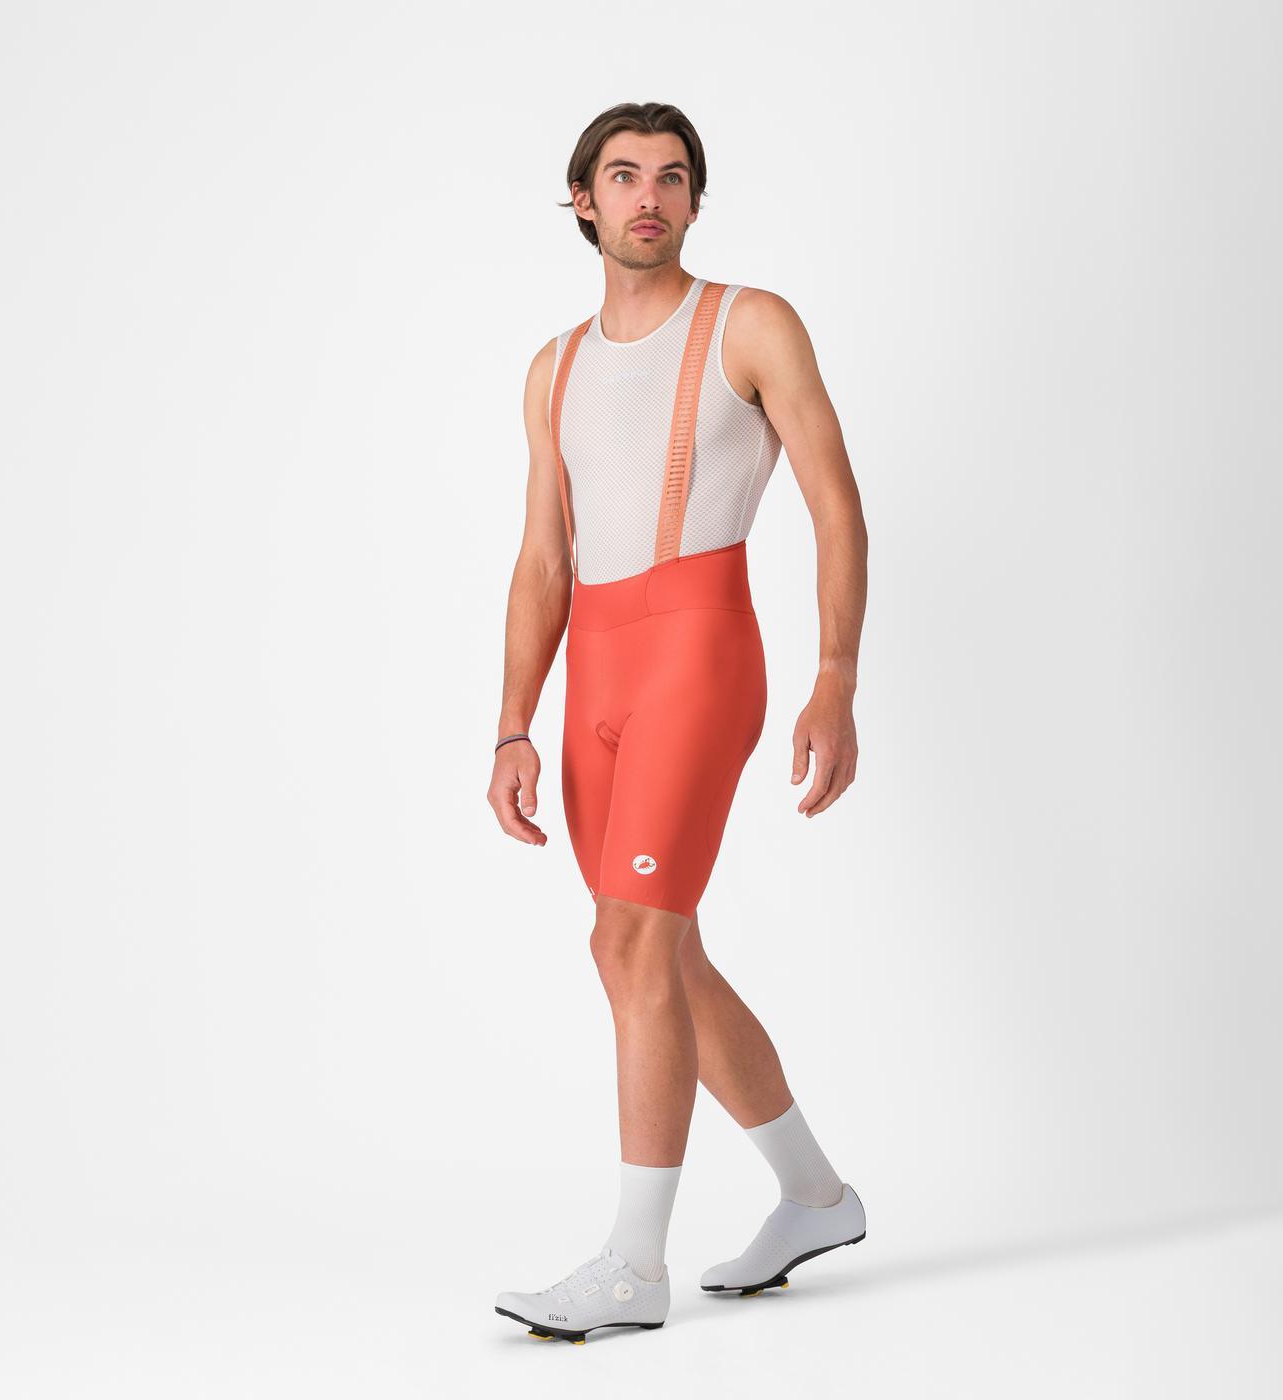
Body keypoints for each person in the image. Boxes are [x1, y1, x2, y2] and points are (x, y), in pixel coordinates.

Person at [486, 101, 869, 1344]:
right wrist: (511, 725)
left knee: (634, 943)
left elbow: (834, 502)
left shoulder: (748, 323)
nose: (646, 195)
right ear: (582, 201)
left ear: (695, 201)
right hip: (593, 670)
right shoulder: (552, 367)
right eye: (621, 175)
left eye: (669, 176)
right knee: (648, 953)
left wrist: (833, 677)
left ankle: (631, 1265)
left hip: (699, 648)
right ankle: (814, 1196)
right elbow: (541, 558)